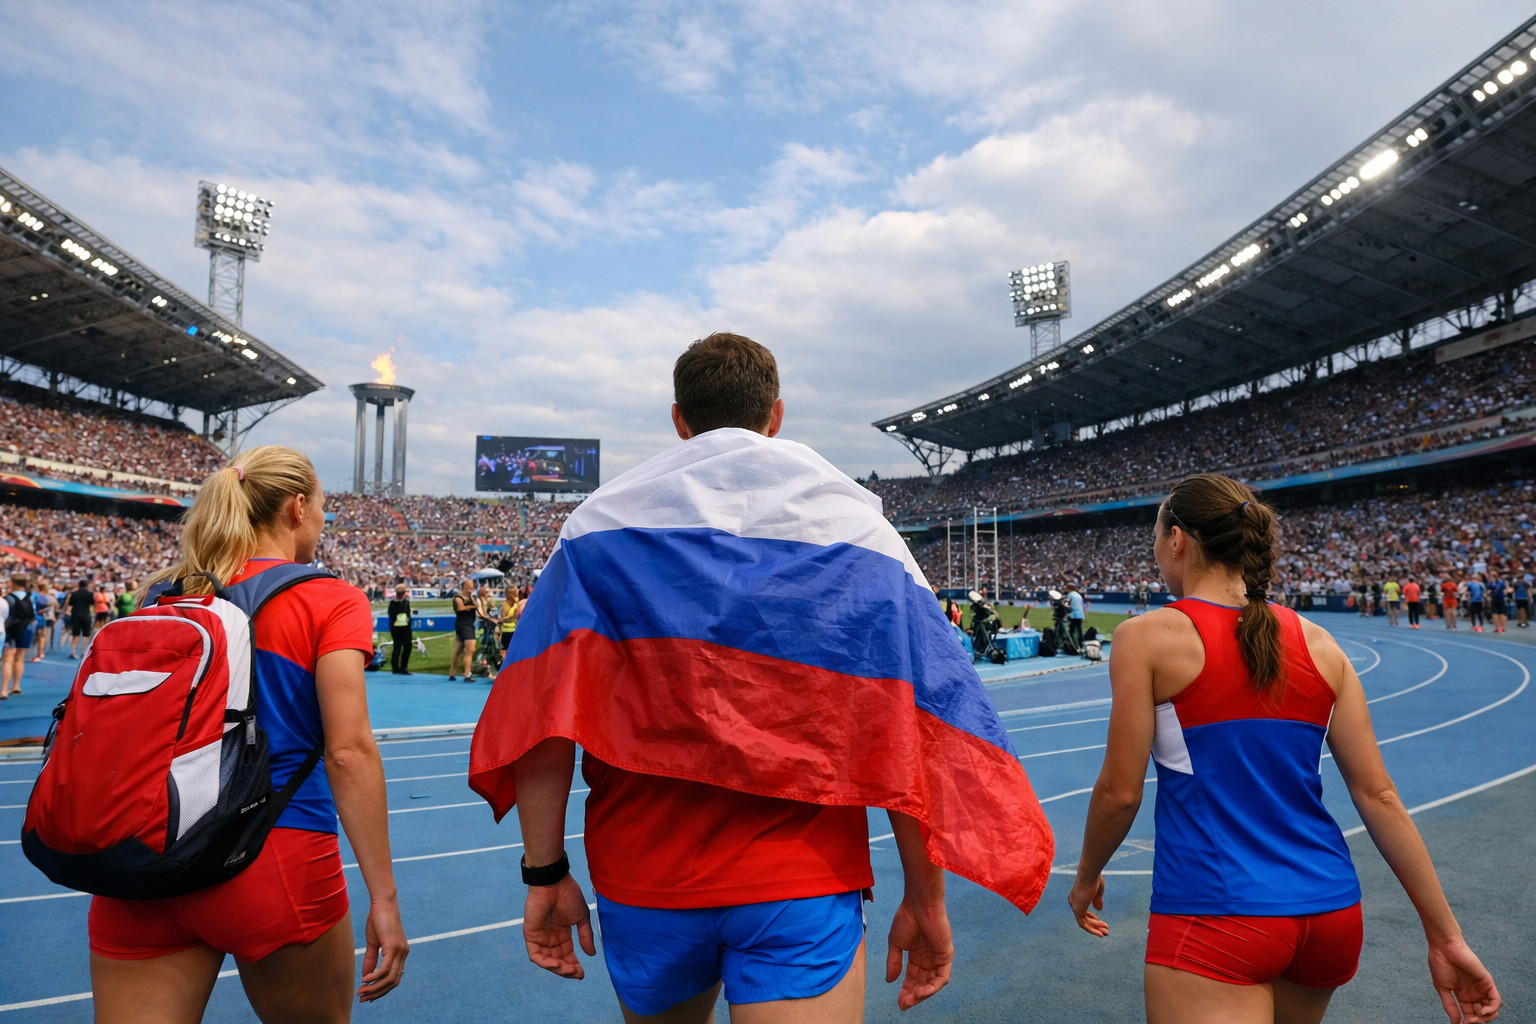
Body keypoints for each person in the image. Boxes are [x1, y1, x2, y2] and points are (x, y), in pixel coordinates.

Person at [469, 332, 1054, 1022]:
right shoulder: (858, 533)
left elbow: (542, 712)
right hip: (800, 878)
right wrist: (926, 899)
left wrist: (544, 872)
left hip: (646, 874)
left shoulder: (595, 528)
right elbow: (907, 722)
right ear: (775, 416)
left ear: (679, 421)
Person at [1068, 473, 1500, 1024]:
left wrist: (1086, 877)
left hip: (1219, 909)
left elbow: (1119, 792)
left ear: (1178, 539)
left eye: (1156, 539)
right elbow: (1379, 796)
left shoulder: (1147, 637)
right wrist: (1446, 936)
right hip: (1330, 912)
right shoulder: (1321, 644)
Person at [89, 446, 407, 1023]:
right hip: (273, 854)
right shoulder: (328, 597)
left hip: (144, 860)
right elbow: (348, 750)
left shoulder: (163, 596)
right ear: (296, 507)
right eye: (322, 512)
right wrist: (383, 897)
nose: (322, 525)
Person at [1, 574, 36, 698]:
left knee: (8, 659)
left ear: (13, 583)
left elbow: (5, 616)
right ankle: (16, 686)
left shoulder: (8, 598)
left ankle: (4, 689)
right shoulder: (32, 596)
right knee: (20, 658)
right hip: (28, 629)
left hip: (12, 630)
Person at [449, 581, 477, 681]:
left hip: (467, 624)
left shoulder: (471, 597)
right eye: (469, 586)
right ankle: (467, 673)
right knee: (471, 649)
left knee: (458, 650)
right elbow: (460, 609)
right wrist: (472, 606)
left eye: (472, 586)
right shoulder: (458, 598)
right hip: (464, 625)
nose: (472, 587)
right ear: (464, 586)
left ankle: (452, 673)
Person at [387, 583, 413, 675]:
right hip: (402, 627)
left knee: (399, 646)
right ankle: (402, 667)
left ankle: (397, 667)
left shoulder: (403, 603)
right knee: (403, 646)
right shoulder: (398, 603)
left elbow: (391, 615)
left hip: (398, 627)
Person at [1067, 584, 1086, 649]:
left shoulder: (1070, 594)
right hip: (1080, 613)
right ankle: (1081, 644)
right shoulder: (1078, 595)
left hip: (1074, 613)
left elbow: (1067, 604)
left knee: (1071, 630)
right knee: (1079, 629)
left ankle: (1072, 644)